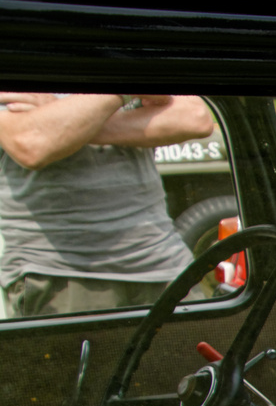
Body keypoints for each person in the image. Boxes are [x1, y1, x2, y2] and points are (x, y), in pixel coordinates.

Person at [0, 92, 215, 317]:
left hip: (163, 262)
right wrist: (124, 92)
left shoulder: (125, 57)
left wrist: (69, 120)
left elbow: (195, 117)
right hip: (57, 273)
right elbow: (32, 143)